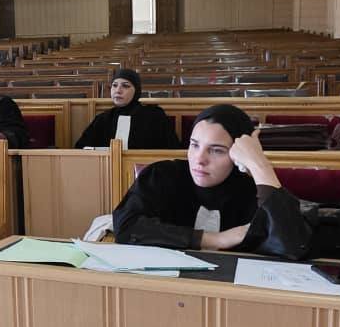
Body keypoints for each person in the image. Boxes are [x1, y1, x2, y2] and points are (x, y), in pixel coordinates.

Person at [113, 104, 301, 251]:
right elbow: (126, 227)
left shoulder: (253, 190)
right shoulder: (162, 175)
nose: (199, 159)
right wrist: (215, 239)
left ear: (238, 155)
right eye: (194, 145)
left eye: (216, 150)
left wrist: (259, 165)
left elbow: (293, 244)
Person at [75, 68, 181, 149]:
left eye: (125, 86)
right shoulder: (103, 119)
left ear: (136, 91)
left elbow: (172, 150)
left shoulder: (154, 116)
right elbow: (81, 149)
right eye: (114, 85)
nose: (118, 90)